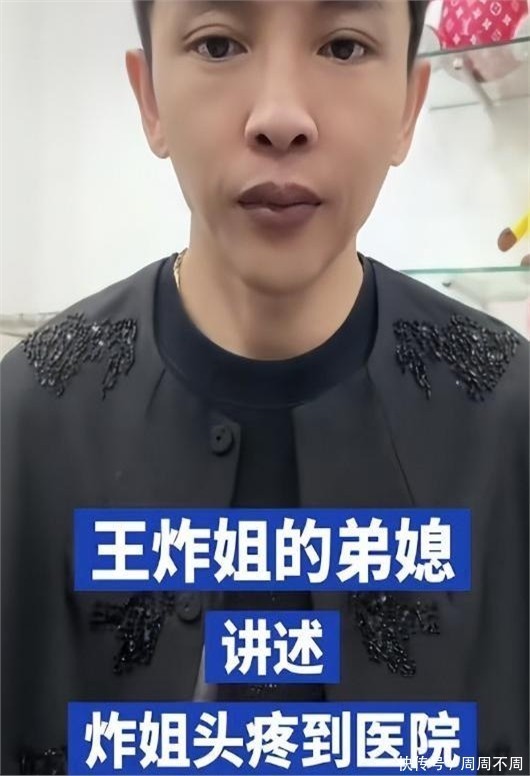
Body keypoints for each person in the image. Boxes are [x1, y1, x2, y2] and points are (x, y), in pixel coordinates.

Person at [1, 1, 528, 774]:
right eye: (218, 43)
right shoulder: (27, 422)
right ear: (151, 99)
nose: (281, 118)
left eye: (343, 47)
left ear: (408, 108)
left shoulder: (509, 417)